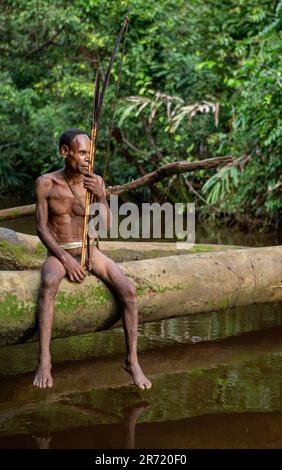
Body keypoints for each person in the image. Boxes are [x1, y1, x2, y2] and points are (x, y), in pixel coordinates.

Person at [33, 128, 152, 391]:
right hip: (60, 250)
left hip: (91, 250)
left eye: (91, 153)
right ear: (66, 152)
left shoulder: (95, 181)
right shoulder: (46, 183)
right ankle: (44, 359)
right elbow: (41, 228)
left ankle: (132, 360)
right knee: (49, 282)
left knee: (130, 291)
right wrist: (65, 259)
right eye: (83, 153)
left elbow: (107, 227)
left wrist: (101, 195)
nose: (88, 159)